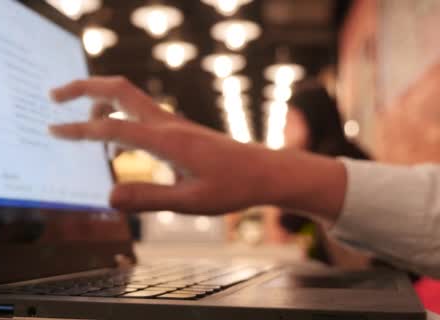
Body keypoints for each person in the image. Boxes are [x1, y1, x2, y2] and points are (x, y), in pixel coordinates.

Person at [48, 76, 440, 278]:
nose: (284, 131)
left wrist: (264, 171)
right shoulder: (335, 167)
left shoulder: (345, 159)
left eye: (290, 120)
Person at [274, 85, 371, 266]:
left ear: (311, 119)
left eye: (290, 120)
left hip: (369, 275)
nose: (284, 130)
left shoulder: (330, 159)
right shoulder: (348, 150)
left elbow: (290, 221)